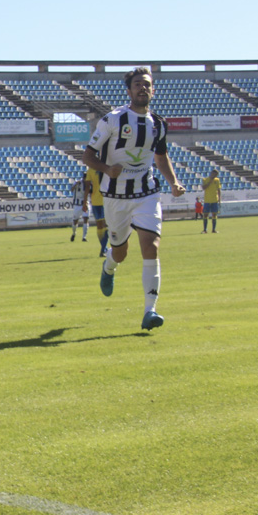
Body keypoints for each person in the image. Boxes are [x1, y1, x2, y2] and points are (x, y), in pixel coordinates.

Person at [82, 67, 186, 331]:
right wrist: (106, 169)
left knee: (151, 246)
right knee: (120, 251)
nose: (143, 88)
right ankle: (108, 268)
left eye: (147, 84)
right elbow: (88, 155)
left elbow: (161, 157)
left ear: (153, 90)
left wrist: (173, 182)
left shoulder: (159, 124)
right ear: (128, 91)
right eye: (138, 84)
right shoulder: (112, 120)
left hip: (147, 193)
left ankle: (150, 311)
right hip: (116, 196)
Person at [84, 165, 109, 257]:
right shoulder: (106, 168)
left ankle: (103, 249)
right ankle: (103, 249)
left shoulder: (90, 169)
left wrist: (84, 202)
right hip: (105, 200)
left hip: (95, 201)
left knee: (99, 226)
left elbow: (87, 187)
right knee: (105, 225)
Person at [69, 172, 89, 243]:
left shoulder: (89, 184)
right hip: (77, 205)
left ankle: (84, 237)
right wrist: (75, 185)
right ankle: (74, 233)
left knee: (86, 219)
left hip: (85, 204)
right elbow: (71, 189)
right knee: (75, 221)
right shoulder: (78, 182)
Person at [201, 169, 221, 233]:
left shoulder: (217, 180)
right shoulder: (205, 179)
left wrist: (219, 199)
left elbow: (218, 190)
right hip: (207, 200)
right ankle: (205, 229)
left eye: (216, 175)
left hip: (215, 200)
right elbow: (204, 188)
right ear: (211, 173)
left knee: (214, 215)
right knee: (205, 215)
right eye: (214, 174)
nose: (214, 175)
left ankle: (213, 229)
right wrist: (210, 181)